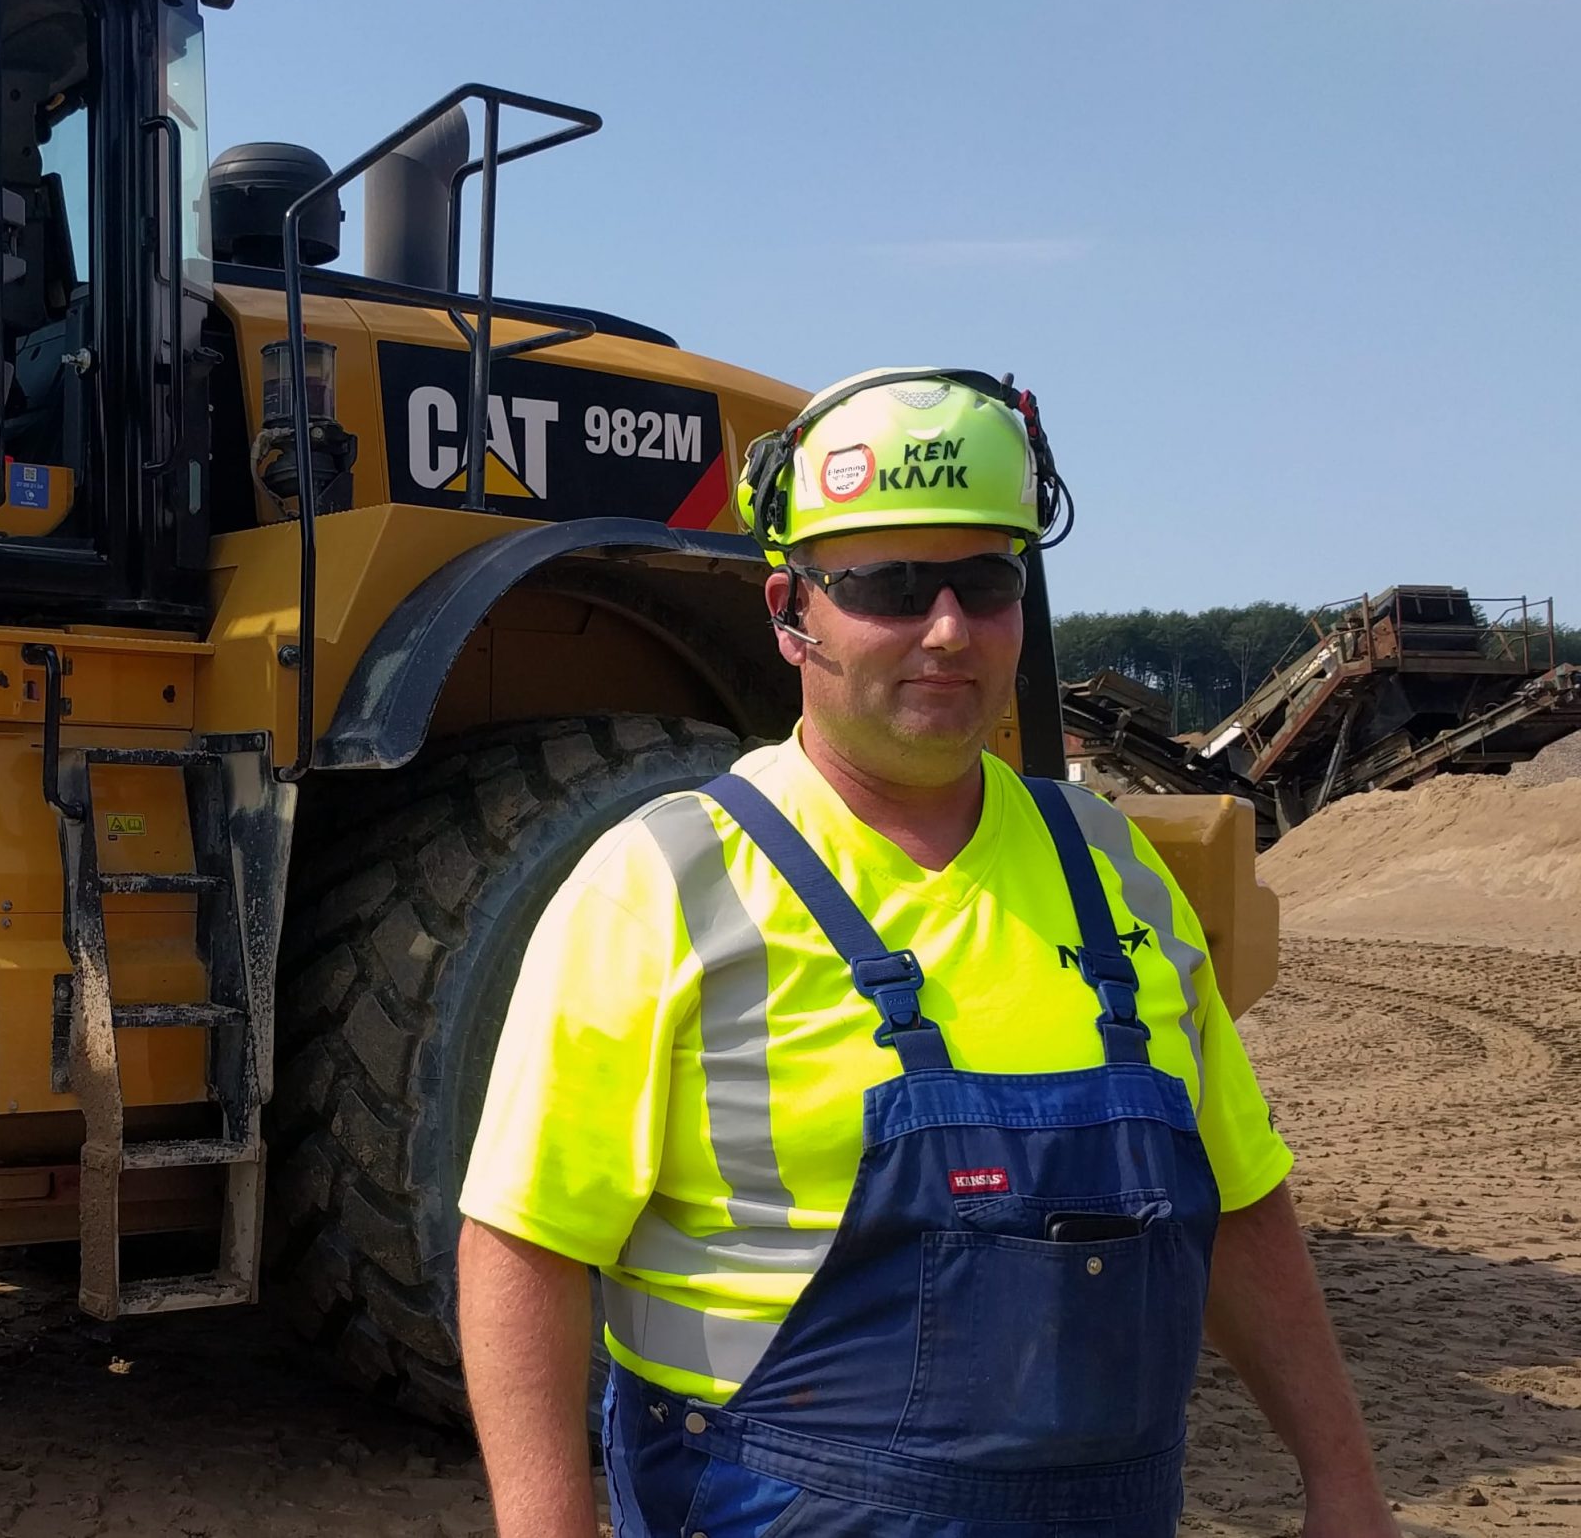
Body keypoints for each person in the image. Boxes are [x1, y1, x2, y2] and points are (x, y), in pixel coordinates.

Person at [456, 370, 1395, 1538]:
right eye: (892, 586)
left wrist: (1344, 1482)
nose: (947, 627)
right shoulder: (666, 883)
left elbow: (1237, 1199)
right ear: (790, 611)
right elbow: (525, 1243)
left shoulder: (1110, 870)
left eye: (985, 580)